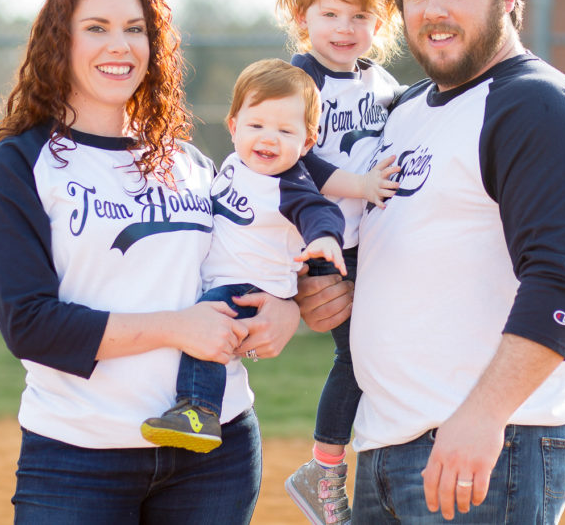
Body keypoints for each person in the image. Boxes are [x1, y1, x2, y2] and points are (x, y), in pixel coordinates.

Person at [296, 0, 565, 524]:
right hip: (386, 442)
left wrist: (483, 416)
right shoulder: (405, 109)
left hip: (486, 444)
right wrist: (329, 290)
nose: (433, 10)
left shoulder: (533, 103)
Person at [0, 0, 301, 524]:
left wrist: (284, 309)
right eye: (96, 27)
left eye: (135, 29)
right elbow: (30, 325)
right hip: (79, 455)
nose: (118, 45)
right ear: (60, 41)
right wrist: (176, 327)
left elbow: (240, 265)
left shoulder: (190, 163)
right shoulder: (22, 164)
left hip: (215, 453)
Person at [140, 58, 398, 455]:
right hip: (226, 279)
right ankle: (197, 408)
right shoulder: (232, 166)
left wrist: (326, 239)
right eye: (257, 126)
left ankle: (199, 411)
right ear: (233, 127)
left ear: (307, 143)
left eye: (285, 130)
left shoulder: (288, 184)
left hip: (250, 288)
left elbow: (319, 210)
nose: (268, 139)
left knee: (209, 321)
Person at [275, 0, 405, 524]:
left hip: (367, 241)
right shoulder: (298, 79)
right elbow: (293, 157)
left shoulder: (384, 83)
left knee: (378, 351)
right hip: (318, 236)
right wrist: (357, 186)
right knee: (355, 356)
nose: (344, 28)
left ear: (381, 22)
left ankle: (381, 452)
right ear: (301, 17)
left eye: (360, 16)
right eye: (329, 14)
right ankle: (324, 471)